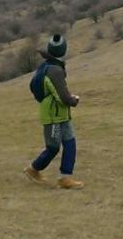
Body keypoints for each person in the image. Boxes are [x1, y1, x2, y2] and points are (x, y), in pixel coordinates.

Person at [23, 34, 84, 190]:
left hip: (61, 114)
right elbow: (62, 96)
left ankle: (65, 177)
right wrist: (73, 100)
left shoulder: (47, 66)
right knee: (53, 147)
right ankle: (33, 169)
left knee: (70, 143)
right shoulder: (55, 71)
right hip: (53, 117)